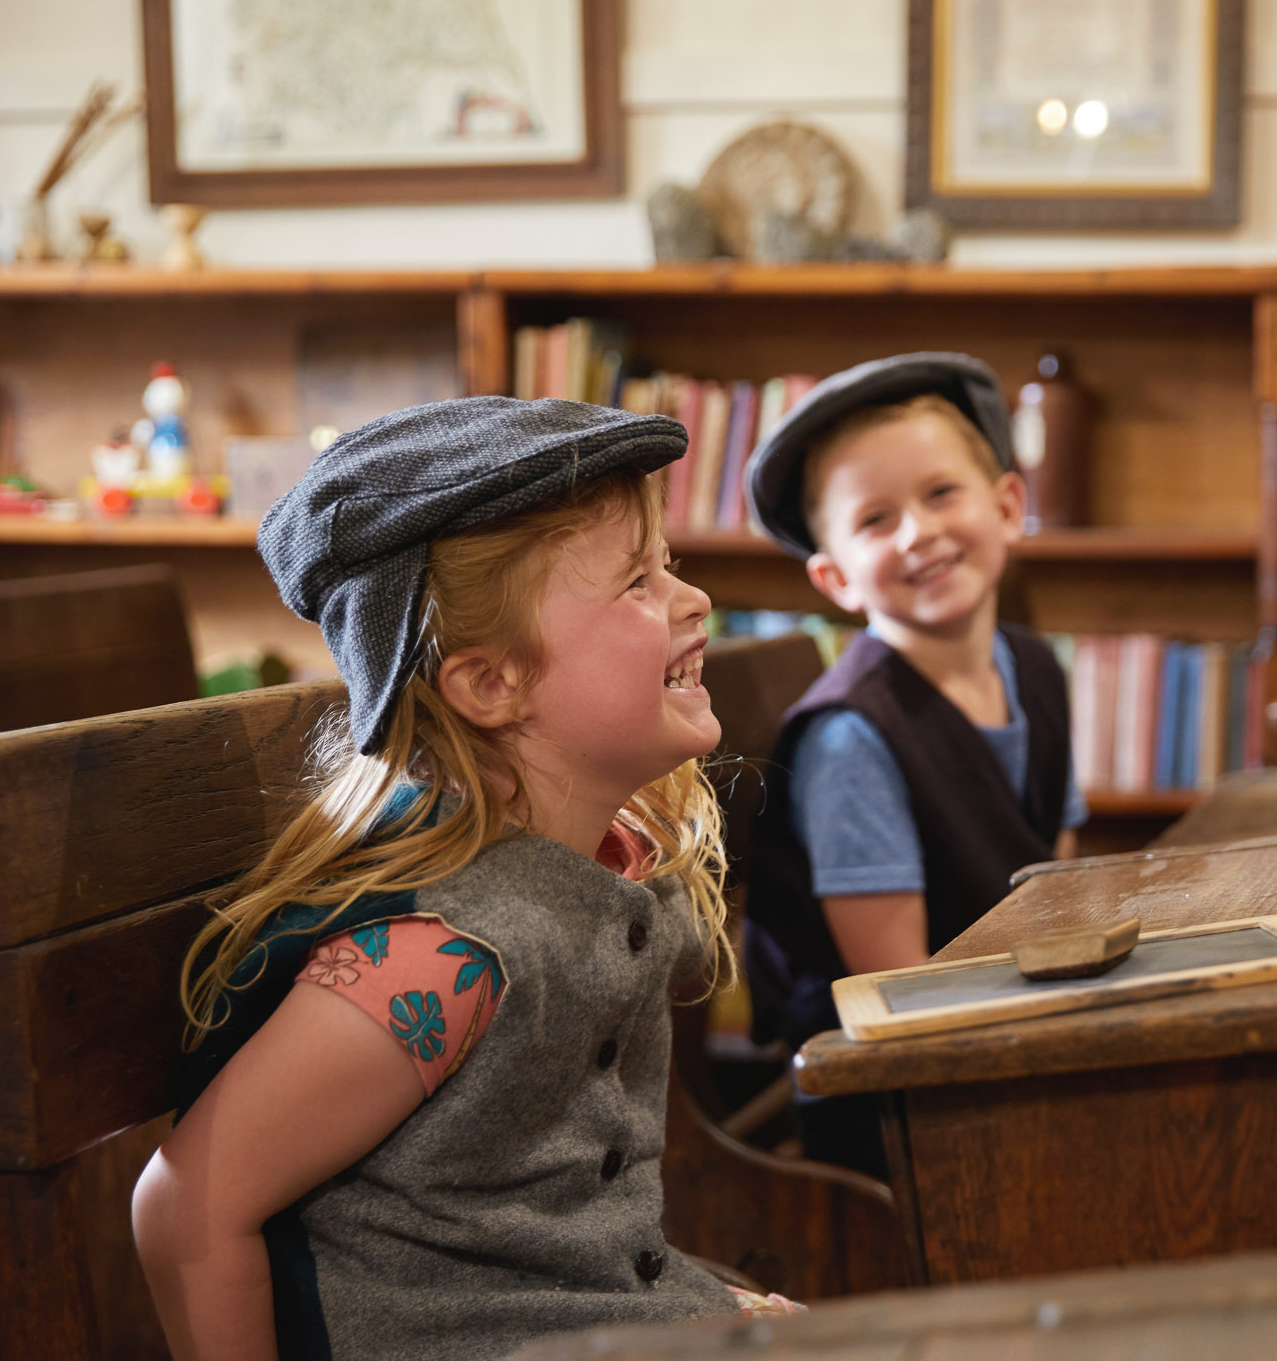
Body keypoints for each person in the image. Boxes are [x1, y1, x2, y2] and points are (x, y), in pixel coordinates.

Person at [132, 397, 795, 1361]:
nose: (692, 602)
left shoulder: (602, 870)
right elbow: (185, 1209)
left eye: (673, 570)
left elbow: (567, 1249)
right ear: (491, 685)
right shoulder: (435, 960)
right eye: (638, 584)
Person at [741, 354, 1085, 1177]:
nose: (918, 532)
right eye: (874, 519)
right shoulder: (852, 738)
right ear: (834, 578)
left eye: (940, 493)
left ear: (1008, 505)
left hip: (1014, 1034)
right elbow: (903, 997)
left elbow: (1054, 890)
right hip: (901, 1101)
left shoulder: (1035, 667)